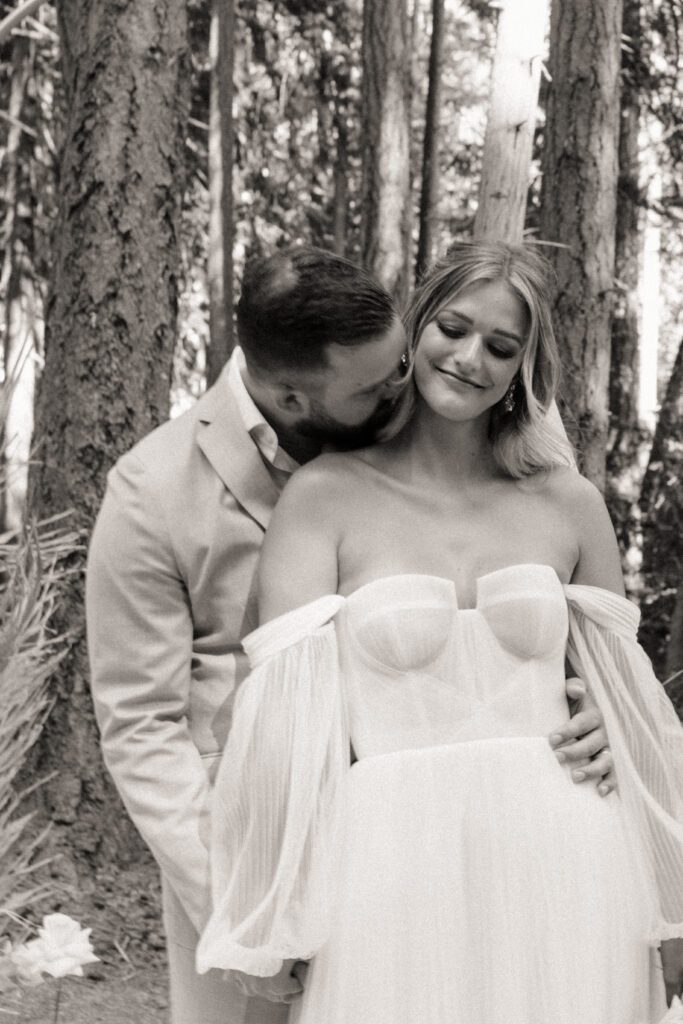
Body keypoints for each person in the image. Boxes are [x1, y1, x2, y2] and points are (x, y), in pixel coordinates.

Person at [86, 245, 613, 1024]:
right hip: (242, 831)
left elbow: (554, 624)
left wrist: (595, 711)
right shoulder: (152, 492)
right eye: (379, 383)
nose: (409, 385)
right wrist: (250, 911)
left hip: (485, 842)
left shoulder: (445, 422)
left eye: (401, 361)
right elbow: (140, 727)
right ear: (296, 401)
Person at [196, 241, 683, 1023]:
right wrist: (274, 907)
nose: (468, 358)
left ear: (526, 366)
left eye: (500, 346)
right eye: (452, 328)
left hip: (570, 859)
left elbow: (632, 709)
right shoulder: (324, 497)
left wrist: (615, 738)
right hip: (388, 867)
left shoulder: (568, 503)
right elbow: (280, 723)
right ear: (417, 327)